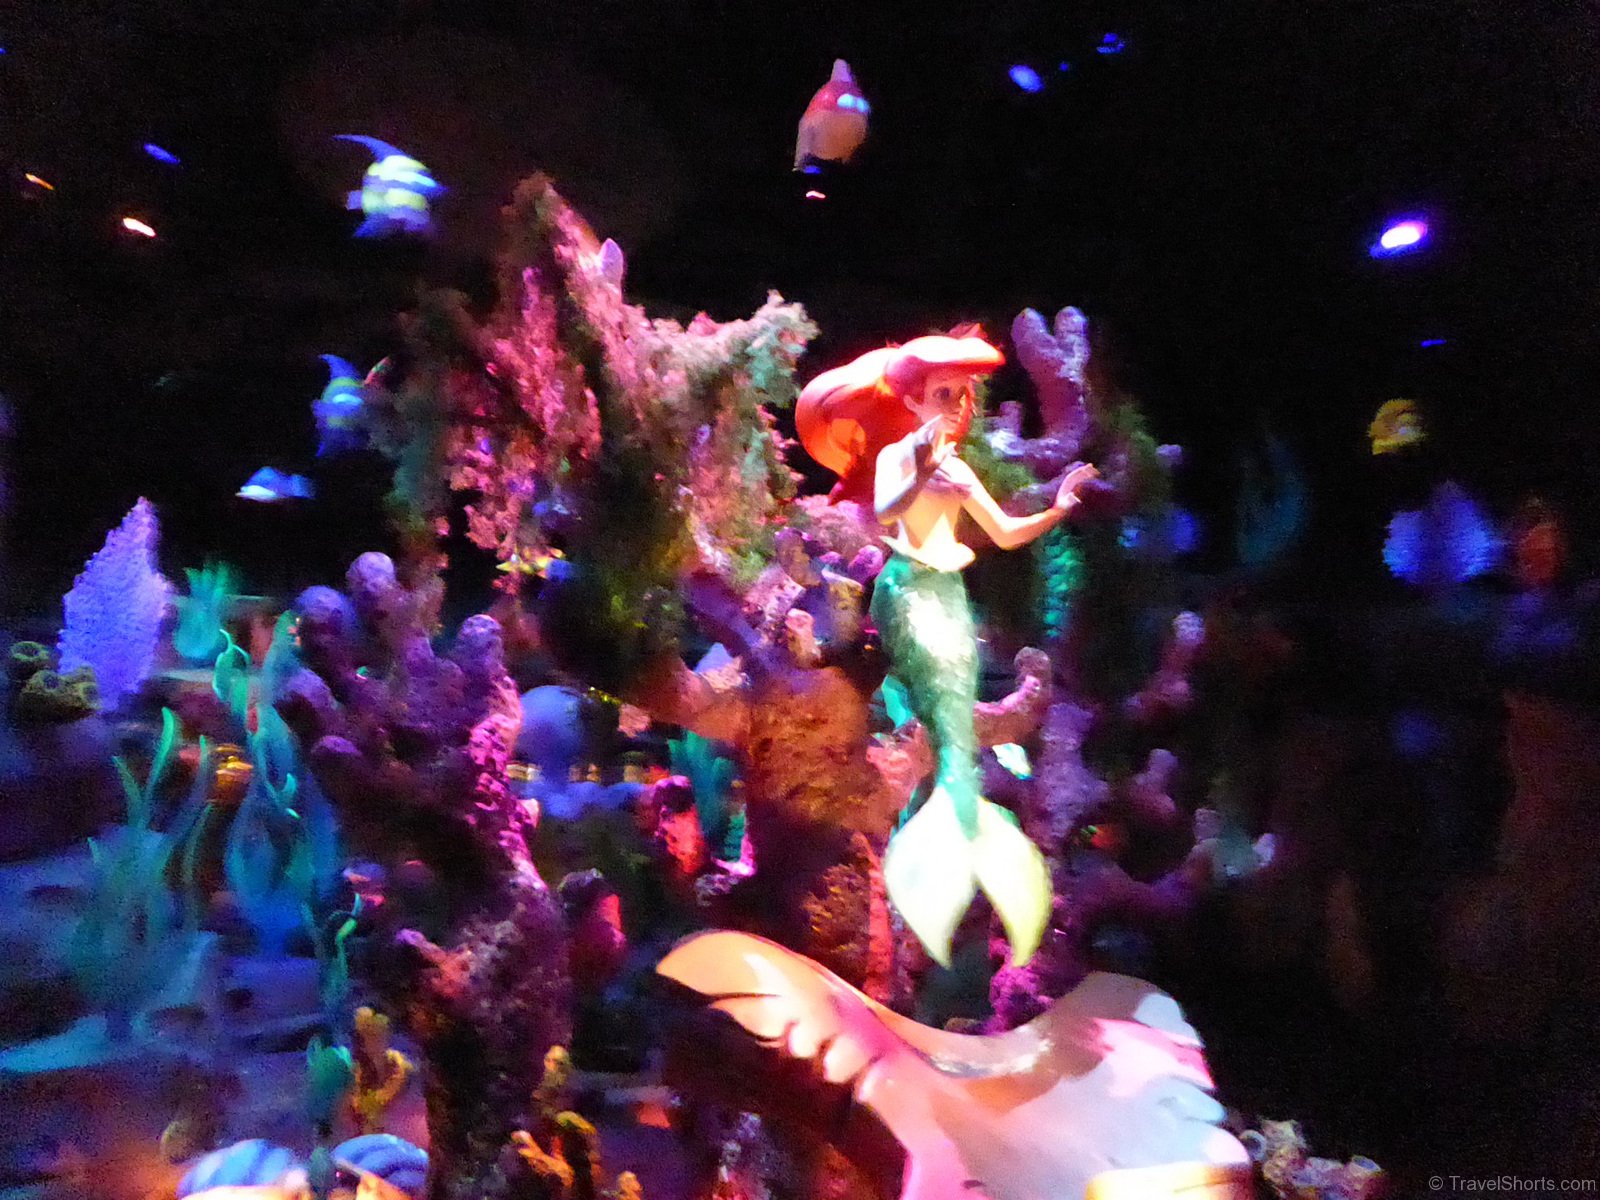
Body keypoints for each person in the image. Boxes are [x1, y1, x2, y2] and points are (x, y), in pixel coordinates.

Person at [797, 332, 1098, 966]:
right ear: (911, 400)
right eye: (944, 394)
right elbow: (887, 508)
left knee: (954, 735)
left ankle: (940, 872)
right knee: (930, 715)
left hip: (949, 593)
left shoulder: (957, 467)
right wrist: (923, 467)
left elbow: (1005, 532)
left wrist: (1059, 507)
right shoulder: (899, 457)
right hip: (907, 589)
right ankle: (907, 859)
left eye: (963, 395)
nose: (958, 406)